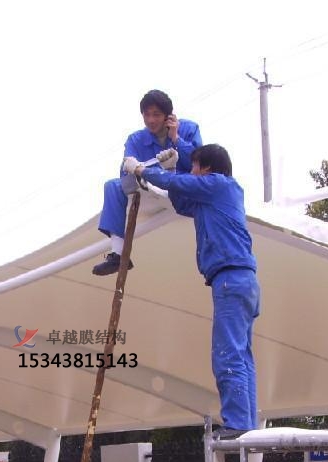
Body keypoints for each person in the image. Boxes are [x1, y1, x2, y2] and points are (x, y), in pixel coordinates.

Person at [128, 144, 259, 438]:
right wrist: (170, 170)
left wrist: (142, 170)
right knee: (242, 355)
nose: (193, 171)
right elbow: (181, 201)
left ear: (208, 168)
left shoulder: (220, 184)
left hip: (230, 278)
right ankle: (246, 423)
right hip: (242, 280)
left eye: (196, 166)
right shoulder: (214, 198)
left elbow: (179, 183)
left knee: (227, 355)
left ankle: (237, 423)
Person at [92, 89, 203, 276]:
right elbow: (125, 170)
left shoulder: (188, 129)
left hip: (180, 187)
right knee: (112, 185)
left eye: (157, 115)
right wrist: (138, 170)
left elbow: (199, 165)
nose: (151, 120)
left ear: (168, 116)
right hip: (148, 187)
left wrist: (176, 138)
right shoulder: (136, 139)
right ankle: (118, 255)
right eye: (147, 114)